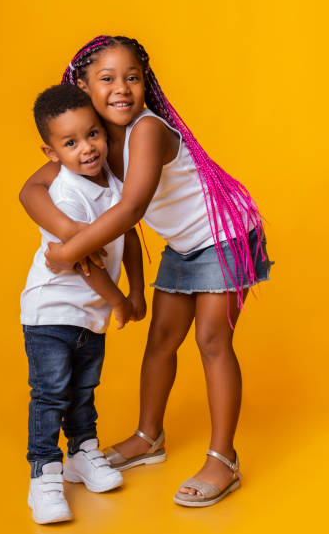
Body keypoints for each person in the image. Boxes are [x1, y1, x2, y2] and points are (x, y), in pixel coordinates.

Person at [19, 36, 273, 508]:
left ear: (146, 84)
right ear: (82, 86)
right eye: (107, 79)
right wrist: (68, 229)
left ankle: (224, 458)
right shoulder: (90, 141)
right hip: (185, 243)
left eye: (132, 78)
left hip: (226, 234)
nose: (122, 89)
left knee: (212, 340)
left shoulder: (146, 131)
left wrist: (68, 249)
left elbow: (133, 208)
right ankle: (148, 436)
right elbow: (33, 188)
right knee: (160, 341)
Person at [20, 83, 146, 524]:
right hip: (51, 313)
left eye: (92, 134)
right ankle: (44, 475)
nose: (86, 148)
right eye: (70, 143)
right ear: (51, 152)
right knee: (52, 393)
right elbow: (85, 264)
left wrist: (136, 291)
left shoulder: (114, 182)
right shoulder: (67, 195)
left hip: (88, 316)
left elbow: (130, 236)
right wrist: (120, 304)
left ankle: (82, 455)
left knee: (83, 390)